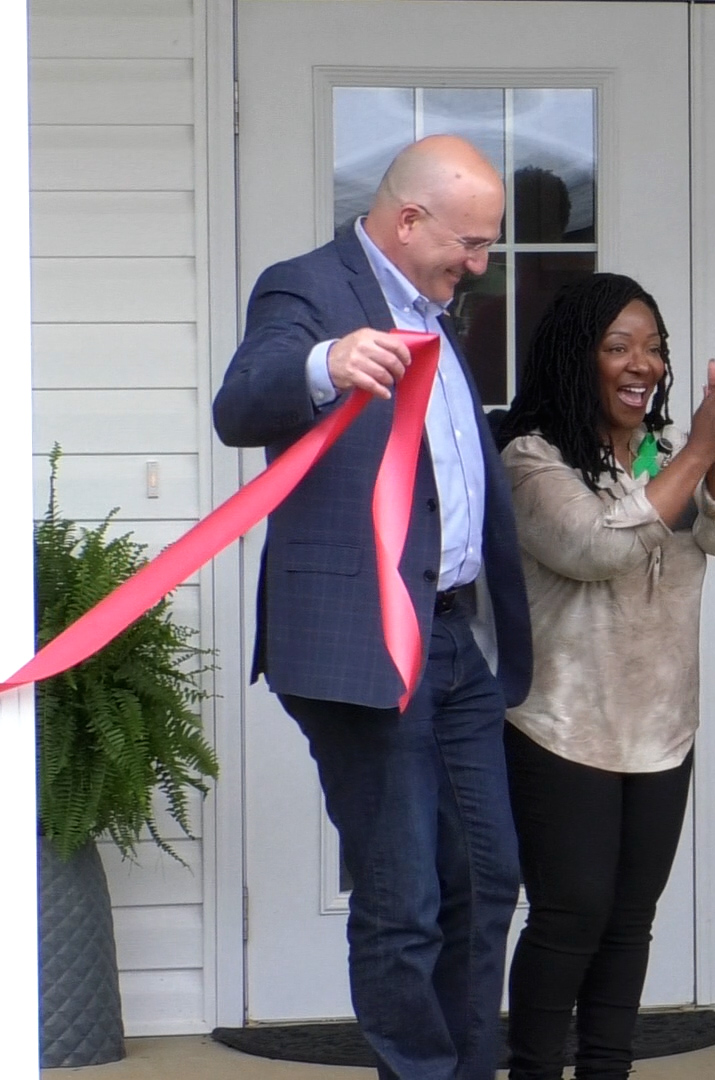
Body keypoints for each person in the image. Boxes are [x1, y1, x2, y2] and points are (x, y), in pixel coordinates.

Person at [212, 135, 532, 1080]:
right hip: (361, 640)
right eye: (468, 245)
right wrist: (323, 363)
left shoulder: (434, 304)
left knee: (486, 875)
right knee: (403, 900)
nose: (478, 266)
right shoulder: (305, 289)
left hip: (453, 638)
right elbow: (240, 406)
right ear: (407, 221)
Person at [492, 273, 715, 1080]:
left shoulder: (665, 455)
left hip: (660, 730)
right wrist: (703, 450)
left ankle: (608, 1071)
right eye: (619, 347)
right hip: (563, 728)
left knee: (629, 923)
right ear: (579, 358)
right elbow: (597, 546)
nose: (643, 363)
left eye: (654, 347)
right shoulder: (531, 459)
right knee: (572, 917)